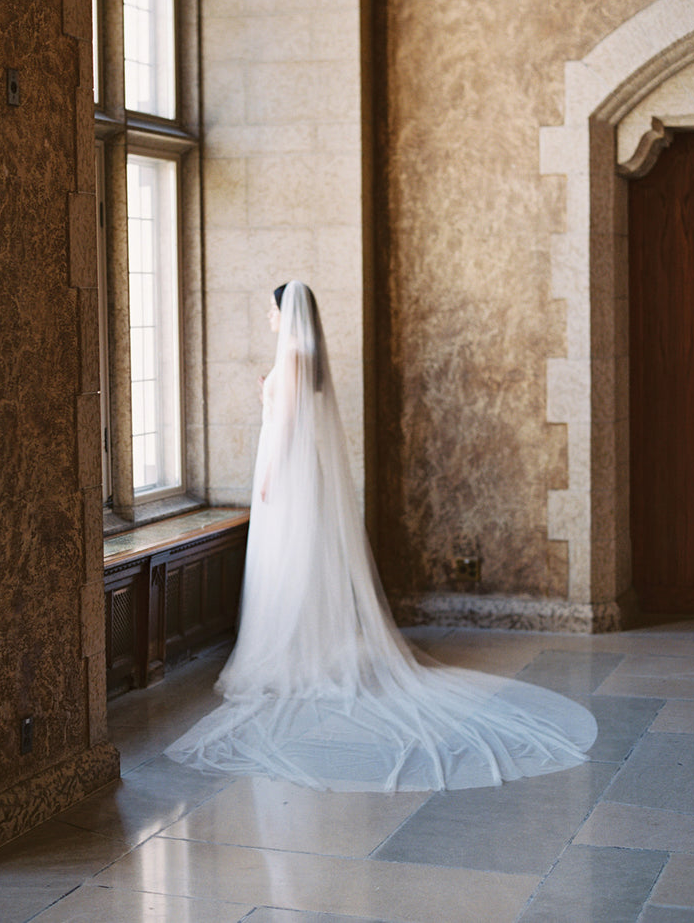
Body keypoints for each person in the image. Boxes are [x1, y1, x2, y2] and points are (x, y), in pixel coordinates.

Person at [165, 281, 597, 791]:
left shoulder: (297, 357)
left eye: (272, 308)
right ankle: (301, 648)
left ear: (288, 311)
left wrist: (266, 479)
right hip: (300, 475)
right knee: (293, 566)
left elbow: (287, 427)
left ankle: (296, 656)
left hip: (289, 478)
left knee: (288, 564)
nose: (267, 316)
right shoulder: (303, 356)